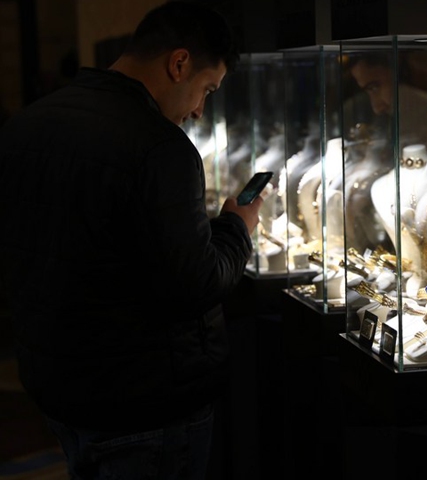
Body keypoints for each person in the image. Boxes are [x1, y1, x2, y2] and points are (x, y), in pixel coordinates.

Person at [0, 2, 260, 479]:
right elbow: (196, 284)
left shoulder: (26, 125)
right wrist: (236, 227)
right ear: (178, 63)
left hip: (59, 388)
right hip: (144, 406)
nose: (201, 109)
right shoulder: (159, 147)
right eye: (206, 89)